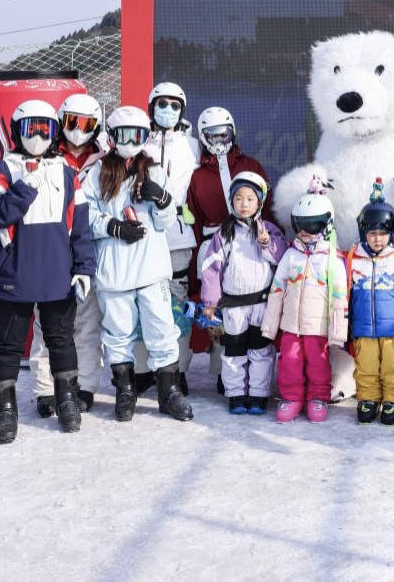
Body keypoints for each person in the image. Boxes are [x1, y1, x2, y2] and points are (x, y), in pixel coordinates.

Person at [0, 99, 95, 443]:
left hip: (58, 274)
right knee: (9, 345)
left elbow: (81, 229)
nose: (39, 136)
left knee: (61, 340)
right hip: (13, 275)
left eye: (46, 129)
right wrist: (25, 187)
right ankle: (5, 408)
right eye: (31, 129)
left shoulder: (67, 173)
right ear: (17, 131)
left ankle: (67, 399)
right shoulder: (2, 169)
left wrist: (83, 268)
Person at [82, 106, 192, 423]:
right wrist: (113, 227)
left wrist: (163, 199)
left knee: (161, 330)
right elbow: (85, 215)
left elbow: (165, 222)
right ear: (112, 137)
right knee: (118, 334)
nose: (131, 141)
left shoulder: (154, 171)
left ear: (145, 137)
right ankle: (125, 390)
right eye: (124, 134)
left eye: (138, 135)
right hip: (114, 271)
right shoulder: (97, 172)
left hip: (150, 268)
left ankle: (169, 392)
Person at [29, 92, 107, 419]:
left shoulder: (104, 160)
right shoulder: (44, 153)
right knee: (47, 323)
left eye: (86, 124)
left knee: (87, 324)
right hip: (50, 250)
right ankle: (46, 388)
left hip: (88, 249)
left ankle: (85, 384)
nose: (78, 130)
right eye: (71, 122)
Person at [186, 106, 270, 394]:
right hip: (215, 241)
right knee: (219, 309)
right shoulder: (198, 176)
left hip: (249, 242)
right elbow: (194, 217)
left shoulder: (250, 165)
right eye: (212, 135)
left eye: (225, 134)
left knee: (250, 304)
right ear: (202, 136)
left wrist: (267, 238)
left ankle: (256, 370)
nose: (219, 140)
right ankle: (224, 370)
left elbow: (266, 206)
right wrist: (197, 253)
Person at [262, 182, 349, 423]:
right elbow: (277, 290)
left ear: (326, 226)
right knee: (289, 361)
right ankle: (291, 397)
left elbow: (339, 298)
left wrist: (337, 333)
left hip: (317, 328)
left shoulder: (331, 259)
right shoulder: (291, 255)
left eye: (312, 226)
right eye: (299, 225)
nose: (304, 232)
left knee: (318, 363)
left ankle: (318, 398)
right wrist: (270, 326)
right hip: (291, 326)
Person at [199, 172, 285, 415]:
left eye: (250, 199)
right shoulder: (224, 234)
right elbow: (212, 270)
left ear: (259, 202)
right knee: (234, 350)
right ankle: (236, 394)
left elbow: (282, 258)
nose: (244, 204)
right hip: (233, 306)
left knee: (260, 351)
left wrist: (267, 242)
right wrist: (210, 302)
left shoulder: (268, 230)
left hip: (261, 304)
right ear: (231, 202)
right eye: (238, 198)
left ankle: (258, 395)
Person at [347, 180, 394, 425]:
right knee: (366, 366)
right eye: (372, 233)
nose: (377, 239)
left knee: (393, 366)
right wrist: (346, 322)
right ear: (363, 233)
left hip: (393, 329)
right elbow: (345, 293)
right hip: (363, 328)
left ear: (391, 234)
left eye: (383, 233)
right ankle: (368, 398)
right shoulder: (353, 260)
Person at [142, 82, 201, 396]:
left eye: (175, 105)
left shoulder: (192, 145)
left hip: (179, 230)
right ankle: (142, 369)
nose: (168, 110)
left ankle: (176, 369)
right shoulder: (139, 141)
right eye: (161, 104)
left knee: (177, 302)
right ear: (152, 108)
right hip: (145, 230)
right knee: (144, 299)